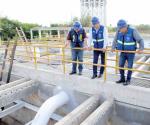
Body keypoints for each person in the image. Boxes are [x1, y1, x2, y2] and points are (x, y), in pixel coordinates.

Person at [112, 19, 144, 85]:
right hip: (122, 52)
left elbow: (140, 40)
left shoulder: (133, 31)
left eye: (120, 29)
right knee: (120, 65)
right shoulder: (119, 31)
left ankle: (128, 80)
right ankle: (122, 79)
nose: (119, 30)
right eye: (119, 29)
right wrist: (113, 47)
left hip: (131, 53)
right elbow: (115, 40)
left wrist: (141, 49)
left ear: (125, 27)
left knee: (129, 66)